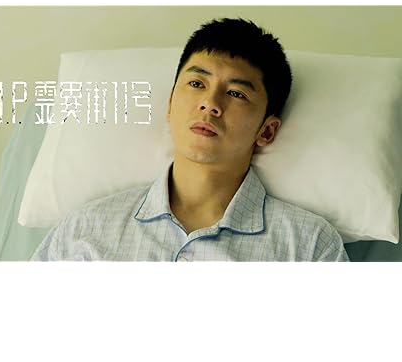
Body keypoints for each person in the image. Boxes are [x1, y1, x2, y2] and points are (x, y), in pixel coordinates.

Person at [31, 18, 349, 261]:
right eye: (197, 84)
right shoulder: (83, 231)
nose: (210, 103)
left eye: (236, 93)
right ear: (170, 104)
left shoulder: (309, 246)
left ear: (266, 131)